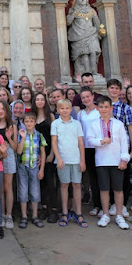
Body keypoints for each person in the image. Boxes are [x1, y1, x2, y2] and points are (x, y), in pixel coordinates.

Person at [86, 96, 130, 229]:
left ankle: (119, 216)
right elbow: (89, 140)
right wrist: (101, 141)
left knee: (118, 189)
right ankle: (105, 214)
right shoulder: (94, 124)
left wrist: (124, 159)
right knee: (104, 189)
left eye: (106, 107)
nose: (104, 109)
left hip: (116, 161)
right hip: (101, 161)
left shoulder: (118, 124)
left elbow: (124, 142)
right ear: (98, 109)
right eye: (101, 107)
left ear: (111, 108)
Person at [51, 98, 87, 228]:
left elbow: (80, 143)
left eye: (67, 108)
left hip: (76, 159)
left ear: (71, 109)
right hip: (63, 160)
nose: (65, 111)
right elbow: (54, 142)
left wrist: (82, 160)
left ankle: (78, 212)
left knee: (77, 185)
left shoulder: (76, 124)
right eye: (62, 108)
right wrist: (59, 158)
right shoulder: (55, 124)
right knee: (64, 185)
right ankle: (65, 213)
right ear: (58, 110)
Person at [107, 79, 132, 217]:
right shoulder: (103, 106)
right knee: (110, 177)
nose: (114, 90)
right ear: (108, 89)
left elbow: (130, 129)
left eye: (116, 88)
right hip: (107, 148)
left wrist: (130, 150)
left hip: (123, 147)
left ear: (120, 90)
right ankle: (112, 204)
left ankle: (121, 205)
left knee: (124, 177)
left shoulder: (126, 108)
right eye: (112, 88)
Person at [17, 112, 46, 228]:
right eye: (26, 121)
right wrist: (23, 138)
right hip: (23, 166)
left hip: (34, 166)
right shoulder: (21, 134)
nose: (29, 123)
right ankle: (24, 216)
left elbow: (42, 153)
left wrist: (42, 169)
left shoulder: (39, 135)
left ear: (35, 122)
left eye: (31, 121)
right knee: (23, 191)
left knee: (35, 191)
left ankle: (35, 216)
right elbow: (19, 151)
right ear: (23, 123)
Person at [32, 93, 58, 223]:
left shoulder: (50, 116)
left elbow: (54, 137)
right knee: (39, 183)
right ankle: (44, 208)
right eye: (37, 99)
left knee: (50, 182)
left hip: (47, 154)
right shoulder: (32, 116)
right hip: (35, 155)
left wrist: (52, 154)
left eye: (42, 99)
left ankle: (53, 210)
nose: (40, 101)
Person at [77, 87, 101, 215]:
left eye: (88, 96)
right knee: (92, 177)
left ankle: (105, 205)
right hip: (87, 148)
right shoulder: (81, 114)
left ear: (93, 96)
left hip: (99, 147)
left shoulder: (99, 111)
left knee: (101, 176)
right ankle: (96, 205)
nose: (86, 99)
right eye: (83, 97)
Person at [0, 101, 17, 229]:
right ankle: (2, 214)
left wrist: (9, 137)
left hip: (8, 155)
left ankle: (9, 215)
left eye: (3, 108)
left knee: (8, 187)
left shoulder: (11, 125)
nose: (0, 111)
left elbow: (15, 147)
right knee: (0, 188)